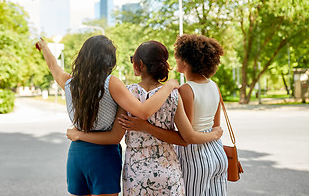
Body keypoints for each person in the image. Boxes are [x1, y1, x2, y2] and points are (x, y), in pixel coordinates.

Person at [66, 40, 223, 196]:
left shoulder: (127, 94)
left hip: (137, 172)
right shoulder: (174, 94)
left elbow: (113, 131)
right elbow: (184, 139)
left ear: (139, 65)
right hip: (168, 169)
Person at [35, 36, 179, 196]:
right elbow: (142, 112)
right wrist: (169, 86)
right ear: (109, 60)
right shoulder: (111, 82)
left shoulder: (70, 83)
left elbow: (53, 66)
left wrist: (44, 47)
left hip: (77, 155)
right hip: (103, 157)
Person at [122, 35, 228, 195]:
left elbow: (188, 136)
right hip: (217, 153)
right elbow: (216, 126)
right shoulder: (214, 86)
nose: (174, 60)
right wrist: (214, 134)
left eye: (177, 56)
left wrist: (146, 127)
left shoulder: (185, 89)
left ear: (185, 61)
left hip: (196, 157)